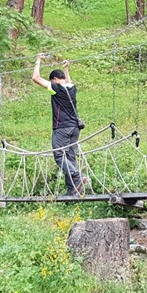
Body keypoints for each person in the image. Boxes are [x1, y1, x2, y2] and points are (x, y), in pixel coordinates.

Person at [32, 54, 88, 195]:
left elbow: (36, 78)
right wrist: (66, 68)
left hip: (62, 127)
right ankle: (73, 189)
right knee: (69, 157)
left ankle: (77, 176)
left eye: (53, 81)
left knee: (59, 155)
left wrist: (38, 60)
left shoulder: (56, 88)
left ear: (55, 80)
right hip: (75, 128)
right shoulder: (72, 87)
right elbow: (68, 80)